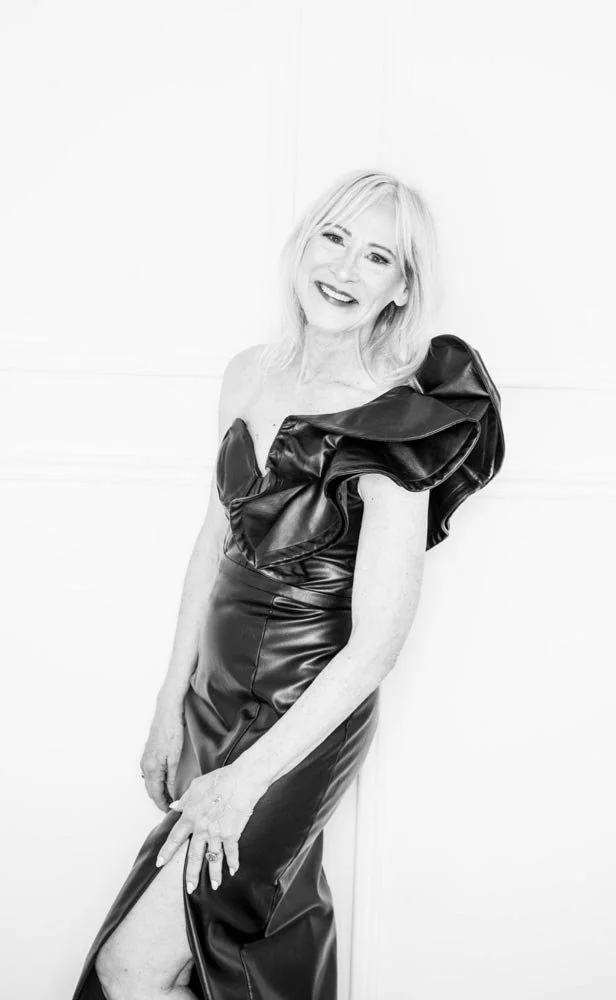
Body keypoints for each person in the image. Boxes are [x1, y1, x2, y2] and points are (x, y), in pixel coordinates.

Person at [74, 170, 504, 1000]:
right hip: (215, 693)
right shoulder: (247, 373)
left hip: (303, 713)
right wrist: (170, 700)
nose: (344, 269)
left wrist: (247, 778)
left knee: (133, 963)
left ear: (400, 288)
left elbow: (377, 645)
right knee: (227, 957)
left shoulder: (398, 416)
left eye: (376, 256)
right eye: (335, 238)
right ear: (305, 241)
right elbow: (213, 541)